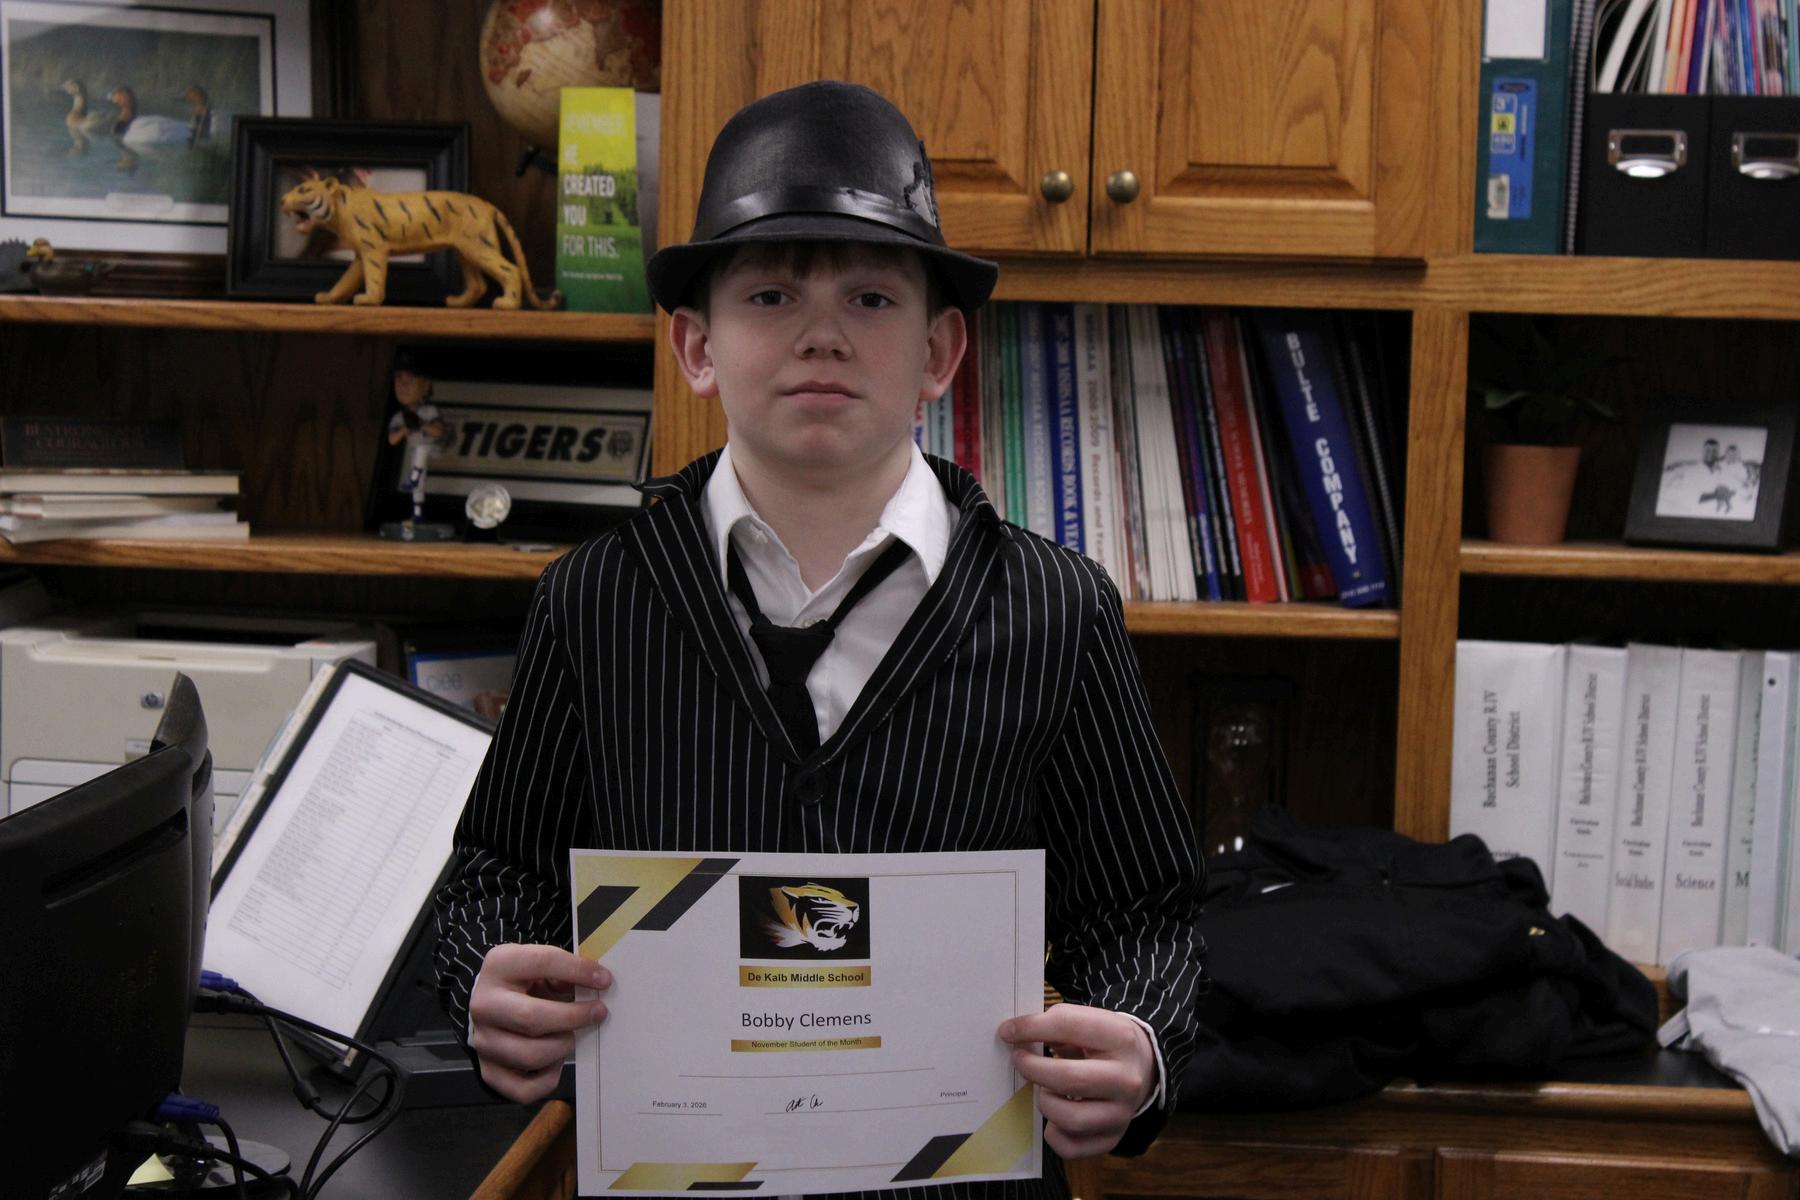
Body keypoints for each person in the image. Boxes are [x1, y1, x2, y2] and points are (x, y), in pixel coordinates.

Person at [433, 81, 1203, 1183]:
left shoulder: (1056, 609)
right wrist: (484, 979)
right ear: (697, 346)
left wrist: (1142, 1042)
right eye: (772, 295)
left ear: (939, 353)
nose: (824, 336)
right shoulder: (594, 600)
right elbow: (497, 872)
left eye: (872, 299)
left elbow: (1144, 914)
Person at [386, 352, 445, 525]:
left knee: (422, 447)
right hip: (414, 453)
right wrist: (405, 429)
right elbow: (392, 440)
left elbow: (438, 431)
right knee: (419, 486)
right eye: (398, 379)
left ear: (426, 386)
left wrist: (421, 424)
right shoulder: (399, 416)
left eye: (410, 380)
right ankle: (417, 514)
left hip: (434, 448)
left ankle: (414, 478)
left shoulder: (429, 411)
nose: (403, 385)